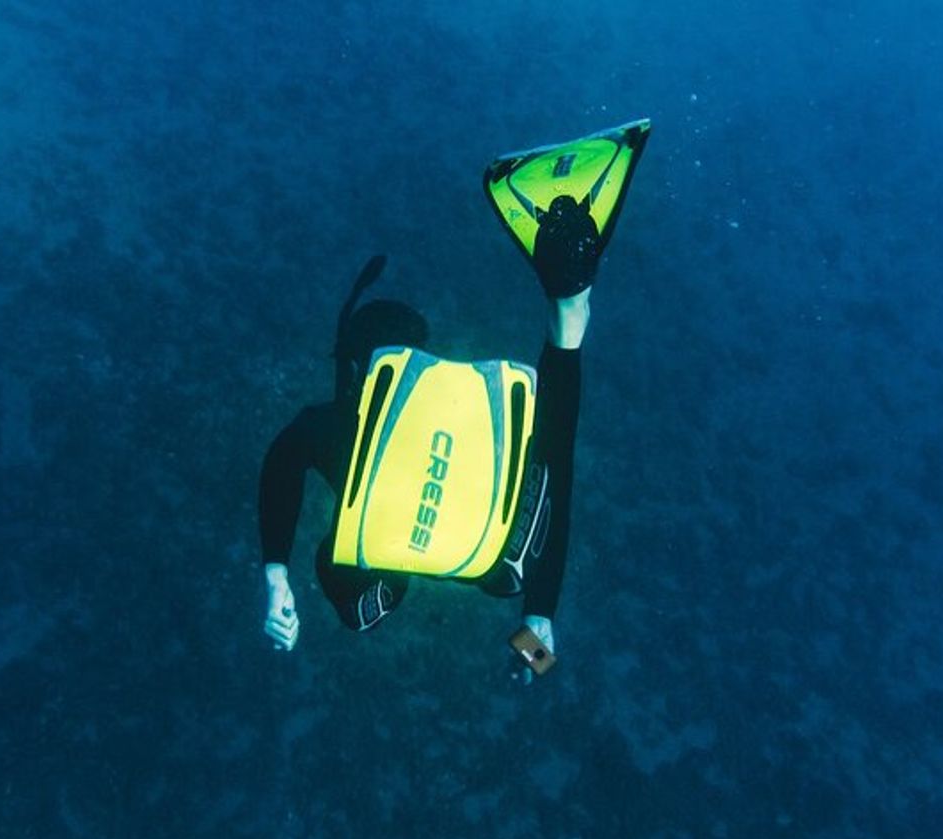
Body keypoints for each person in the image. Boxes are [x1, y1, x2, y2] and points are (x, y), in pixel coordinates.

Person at [256, 120, 649, 678]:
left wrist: (276, 577)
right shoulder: (470, 406)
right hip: (505, 559)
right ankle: (570, 309)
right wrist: (539, 621)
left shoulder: (331, 429)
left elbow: (281, 459)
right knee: (547, 453)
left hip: (445, 555)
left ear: (354, 367)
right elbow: (556, 474)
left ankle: (569, 317)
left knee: (342, 565)